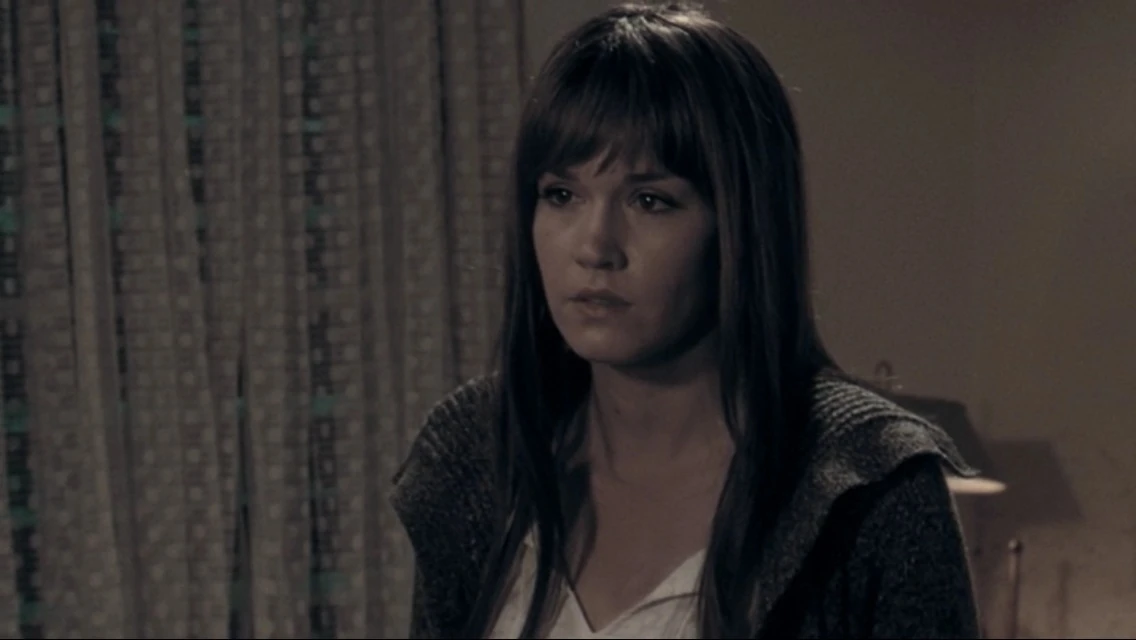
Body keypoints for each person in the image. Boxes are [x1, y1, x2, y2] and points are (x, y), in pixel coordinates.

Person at [391, 3, 981, 638]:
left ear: (739, 223)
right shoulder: (481, 456)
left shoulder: (864, 488)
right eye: (561, 195)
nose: (595, 246)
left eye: (650, 201)